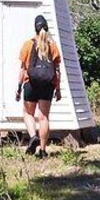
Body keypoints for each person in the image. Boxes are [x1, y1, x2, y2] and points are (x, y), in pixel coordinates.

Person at [15, 14, 62, 158]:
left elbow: (23, 69)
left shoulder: (28, 45)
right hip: (47, 85)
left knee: (28, 113)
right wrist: (58, 89)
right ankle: (42, 150)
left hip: (31, 84)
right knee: (44, 117)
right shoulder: (52, 47)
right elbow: (57, 71)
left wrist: (18, 87)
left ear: (35, 28)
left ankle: (32, 136)